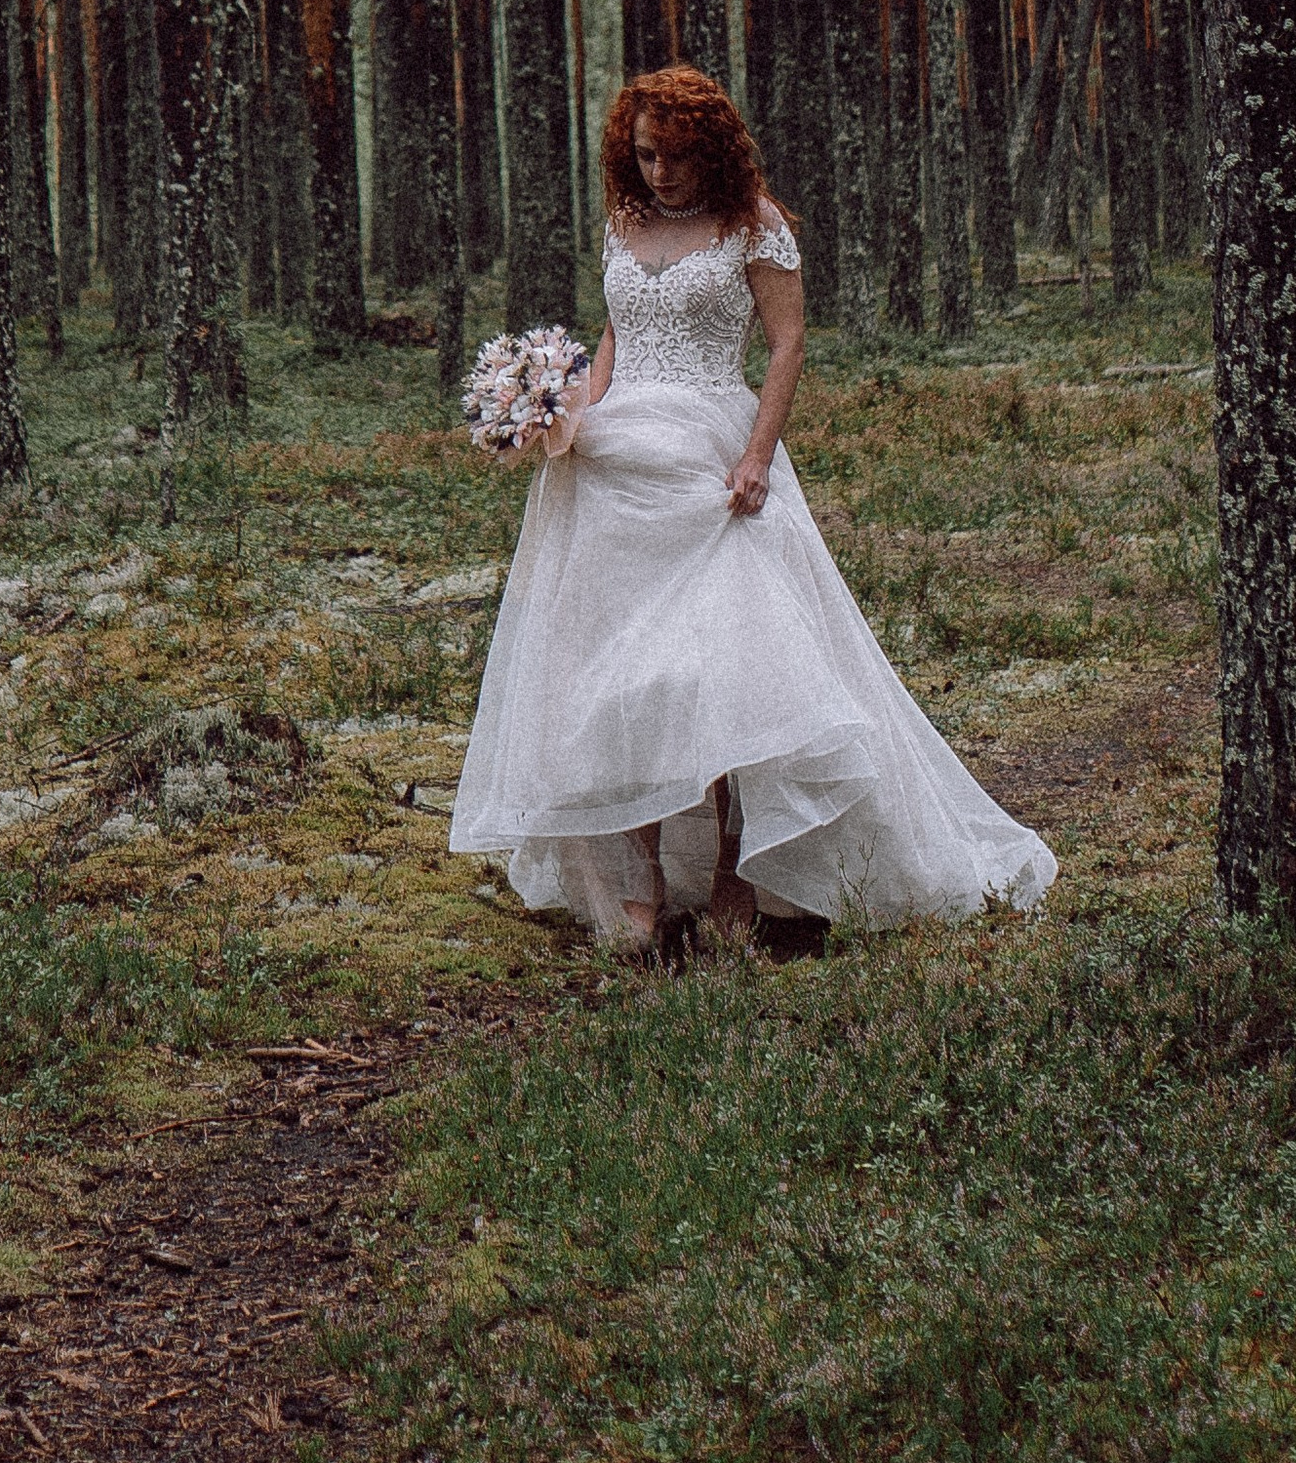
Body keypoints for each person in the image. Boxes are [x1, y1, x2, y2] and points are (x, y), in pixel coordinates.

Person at [451, 65, 1057, 954]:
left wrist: (755, 457)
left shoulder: (754, 227)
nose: (660, 173)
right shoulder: (623, 223)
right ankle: (644, 880)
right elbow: (619, 330)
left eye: (678, 155)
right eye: (646, 154)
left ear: (715, 149)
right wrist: (574, 416)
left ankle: (740, 869)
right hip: (618, 466)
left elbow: (787, 343)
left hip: (711, 461)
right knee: (623, 679)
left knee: (720, 675)